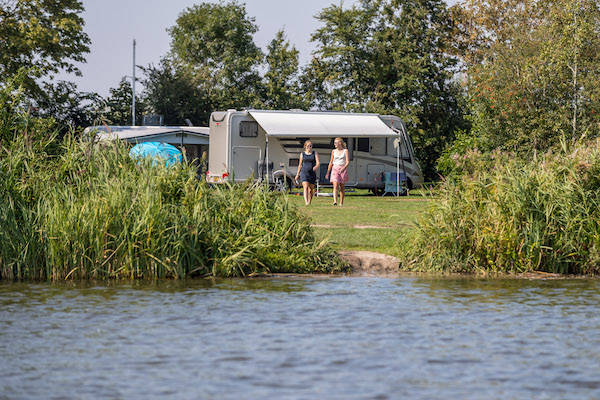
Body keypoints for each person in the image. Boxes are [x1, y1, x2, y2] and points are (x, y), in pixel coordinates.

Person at [295, 140, 320, 205]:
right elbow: (300, 165)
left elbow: (318, 163)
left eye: (311, 146)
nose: (309, 147)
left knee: (311, 189)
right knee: (305, 187)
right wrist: (297, 174)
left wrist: (316, 167)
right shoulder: (302, 154)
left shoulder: (315, 153)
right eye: (308, 146)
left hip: (312, 173)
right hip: (304, 172)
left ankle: (309, 202)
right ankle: (306, 202)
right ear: (305, 146)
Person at [325, 137, 349, 206]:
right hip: (335, 168)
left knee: (341, 187)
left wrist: (343, 168)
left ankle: (341, 202)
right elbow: (331, 162)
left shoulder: (345, 151)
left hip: (342, 169)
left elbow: (347, 162)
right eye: (334, 142)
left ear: (340, 143)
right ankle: (335, 201)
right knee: (335, 185)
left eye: (336, 143)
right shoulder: (333, 151)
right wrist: (327, 172)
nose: (334, 144)